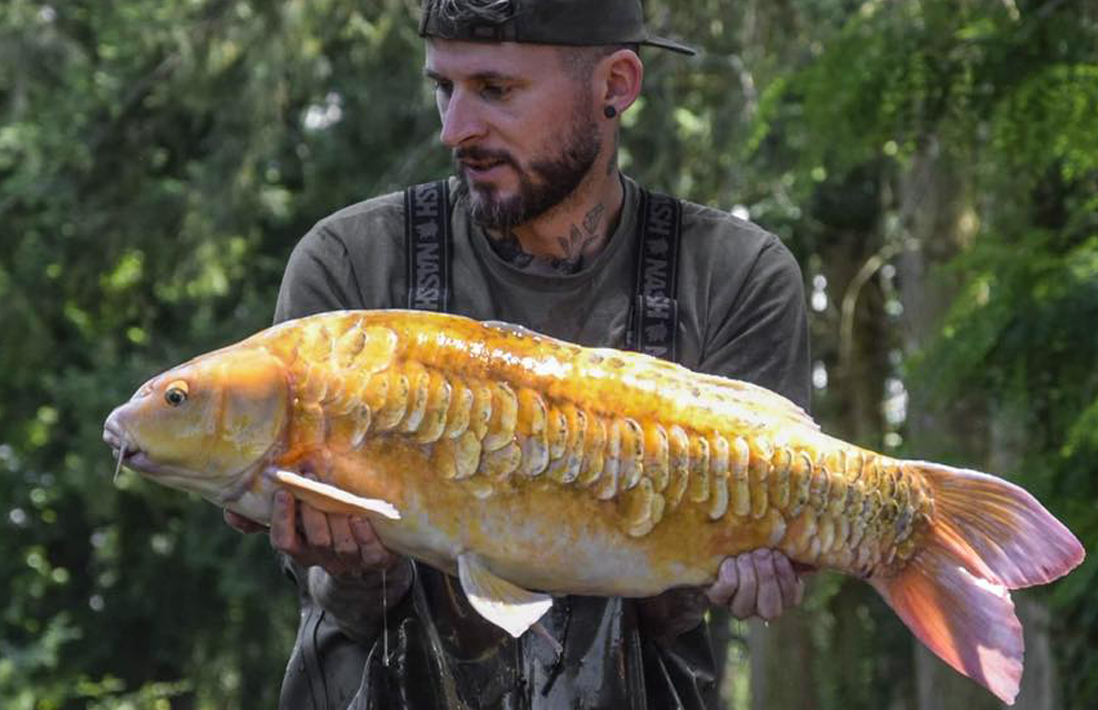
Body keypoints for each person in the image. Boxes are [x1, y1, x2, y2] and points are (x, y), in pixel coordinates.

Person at [225, 1, 813, 708]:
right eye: (444, 88)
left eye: (495, 90)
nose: (454, 130)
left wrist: (717, 575)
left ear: (616, 86)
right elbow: (336, 611)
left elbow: (678, 621)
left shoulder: (734, 276)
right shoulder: (350, 269)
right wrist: (353, 569)